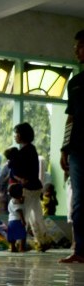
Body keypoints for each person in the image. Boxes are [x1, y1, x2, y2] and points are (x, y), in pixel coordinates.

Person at [60, 29, 84, 264]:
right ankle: (80, 250)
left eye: (80, 46)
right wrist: (64, 148)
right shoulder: (75, 83)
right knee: (78, 200)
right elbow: (71, 117)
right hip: (78, 149)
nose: (76, 50)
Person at [12, 122, 52, 251]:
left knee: (24, 216)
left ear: (22, 135)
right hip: (36, 187)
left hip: (27, 188)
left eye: (17, 133)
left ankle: (20, 244)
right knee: (37, 215)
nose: (15, 136)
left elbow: (16, 171)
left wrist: (17, 176)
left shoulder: (23, 152)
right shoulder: (32, 149)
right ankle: (43, 241)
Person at [7, 183, 27, 253]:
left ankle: (13, 247)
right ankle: (22, 248)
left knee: (12, 236)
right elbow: (19, 211)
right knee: (22, 235)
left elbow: (20, 203)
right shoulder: (17, 201)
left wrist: (23, 200)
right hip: (18, 220)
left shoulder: (12, 200)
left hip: (10, 221)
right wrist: (23, 220)